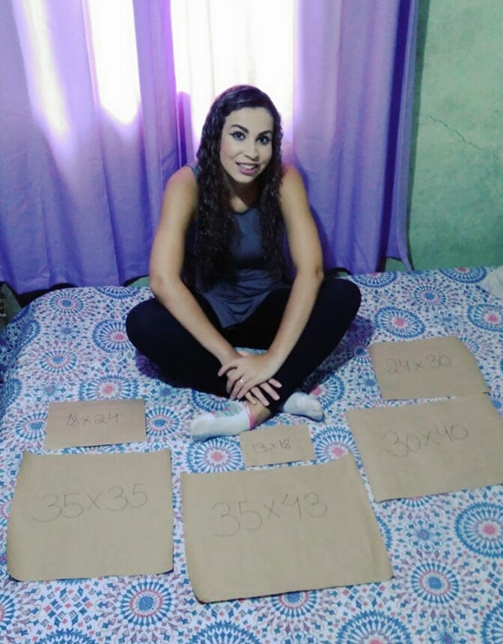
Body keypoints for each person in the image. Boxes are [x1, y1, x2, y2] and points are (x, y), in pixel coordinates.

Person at [126, 85, 361, 441]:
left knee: (343, 295)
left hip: (266, 310)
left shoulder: (285, 179)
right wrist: (230, 357)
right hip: (210, 315)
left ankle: (259, 406)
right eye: (239, 135)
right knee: (143, 322)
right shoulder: (186, 184)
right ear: (215, 136)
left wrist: (271, 360)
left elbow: (311, 271)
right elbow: (162, 280)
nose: (251, 152)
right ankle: (279, 396)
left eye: (263, 139)